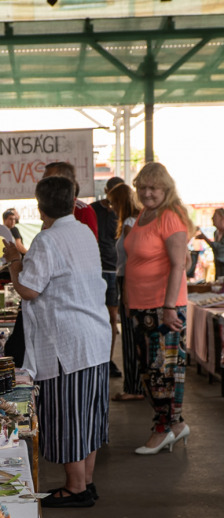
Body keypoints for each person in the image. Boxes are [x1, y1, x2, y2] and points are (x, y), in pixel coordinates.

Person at [3, 175, 110, 508]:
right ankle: (86, 482)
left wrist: (12, 261)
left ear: (39, 206)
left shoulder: (48, 240)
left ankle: (75, 487)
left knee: (68, 415)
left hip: (68, 343)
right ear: (72, 200)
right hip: (95, 337)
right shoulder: (83, 232)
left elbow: (29, 288)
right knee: (89, 417)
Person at [124, 162, 192, 455]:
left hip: (163, 307)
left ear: (165, 189)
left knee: (162, 371)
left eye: (154, 188)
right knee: (148, 372)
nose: (147, 193)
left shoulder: (170, 217)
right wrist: (129, 303)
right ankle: (175, 426)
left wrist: (168, 307)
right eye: (142, 187)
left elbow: (179, 264)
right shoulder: (144, 215)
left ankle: (164, 427)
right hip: (142, 306)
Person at [109, 179, 144, 402]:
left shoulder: (131, 222)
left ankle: (133, 387)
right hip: (126, 280)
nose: (111, 208)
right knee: (133, 335)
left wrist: (129, 292)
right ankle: (136, 385)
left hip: (128, 281)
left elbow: (132, 259)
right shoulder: (132, 221)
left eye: (113, 203)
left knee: (131, 337)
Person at [91, 177, 123, 378]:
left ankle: (108, 360)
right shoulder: (92, 209)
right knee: (94, 316)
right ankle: (96, 358)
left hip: (114, 270)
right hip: (94, 270)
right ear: (106, 191)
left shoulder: (123, 214)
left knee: (112, 318)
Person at [42, 162, 98, 239]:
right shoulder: (48, 210)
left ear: (65, 181)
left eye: (49, 180)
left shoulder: (83, 211)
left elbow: (89, 245)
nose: (43, 184)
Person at [195, 207, 224, 280]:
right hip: (218, 267)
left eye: (215, 217)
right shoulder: (216, 233)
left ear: (222, 218)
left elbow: (220, 249)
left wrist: (205, 239)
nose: (212, 219)